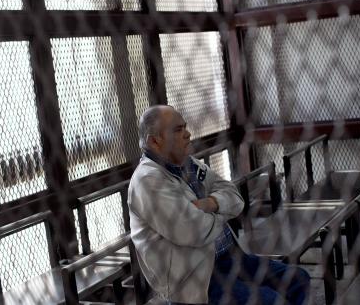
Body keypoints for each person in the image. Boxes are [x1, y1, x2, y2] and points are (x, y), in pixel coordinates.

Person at [128, 105, 310, 304]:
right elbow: (194, 230)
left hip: (231, 258)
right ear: (155, 141)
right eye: (178, 130)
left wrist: (211, 203)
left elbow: (236, 197)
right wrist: (223, 209)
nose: (188, 134)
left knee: (298, 279)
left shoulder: (189, 164)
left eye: (185, 127)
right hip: (198, 278)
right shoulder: (148, 181)